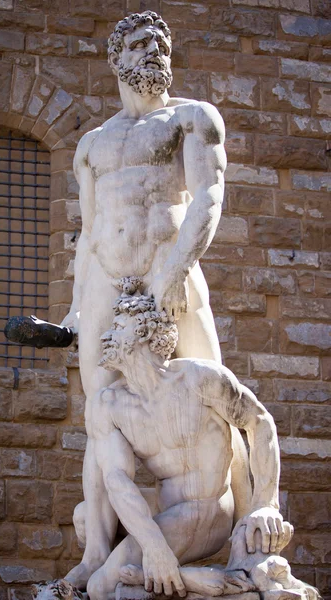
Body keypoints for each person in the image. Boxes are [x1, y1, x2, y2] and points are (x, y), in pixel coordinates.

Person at [61, 11, 250, 588]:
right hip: (104, 288)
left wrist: (170, 272)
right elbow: (89, 233)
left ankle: (249, 531)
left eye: (161, 43)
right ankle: (97, 551)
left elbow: (208, 199)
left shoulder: (193, 118)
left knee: (216, 394)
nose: (154, 52)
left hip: (171, 276)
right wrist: (75, 308)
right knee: (102, 415)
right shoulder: (91, 146)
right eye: (140, 43)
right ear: (116, 58)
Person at [84, 290, 289, 600]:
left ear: (144, 332)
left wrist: (265, 503)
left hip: (205, 510)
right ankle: (187, 578)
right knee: (83, 516)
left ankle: (164, 575)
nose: (107, 335)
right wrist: (155, 547)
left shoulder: (200, 379)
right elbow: (117, 480)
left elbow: (260, 423)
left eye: (118, 327)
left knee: (101, 588)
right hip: (166, 507)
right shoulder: (108, 404)